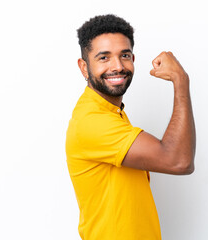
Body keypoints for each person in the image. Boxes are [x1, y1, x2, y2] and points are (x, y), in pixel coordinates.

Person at [65, 14, 196, 240]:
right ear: (84, 67)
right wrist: (180, 80)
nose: (118, 66)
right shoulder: (93, 121)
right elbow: (179, 160)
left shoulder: (111, 112)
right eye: (104, 58)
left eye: (124, 56)